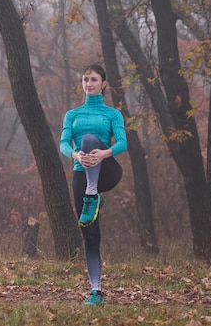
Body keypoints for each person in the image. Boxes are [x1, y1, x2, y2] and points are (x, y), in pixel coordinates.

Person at [59, 64, 127, 306]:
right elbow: (64, 144)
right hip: (81, 173)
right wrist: (77, 156)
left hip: (107, 170)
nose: (89, 83)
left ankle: (93, 194)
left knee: (88, 139)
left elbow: (122, 143)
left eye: (94, 79)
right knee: (90, 236)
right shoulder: (72, 114)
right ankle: (96, 291)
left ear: (104, 83)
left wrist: (103, 153)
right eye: (85, 79)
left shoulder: (112, 114)